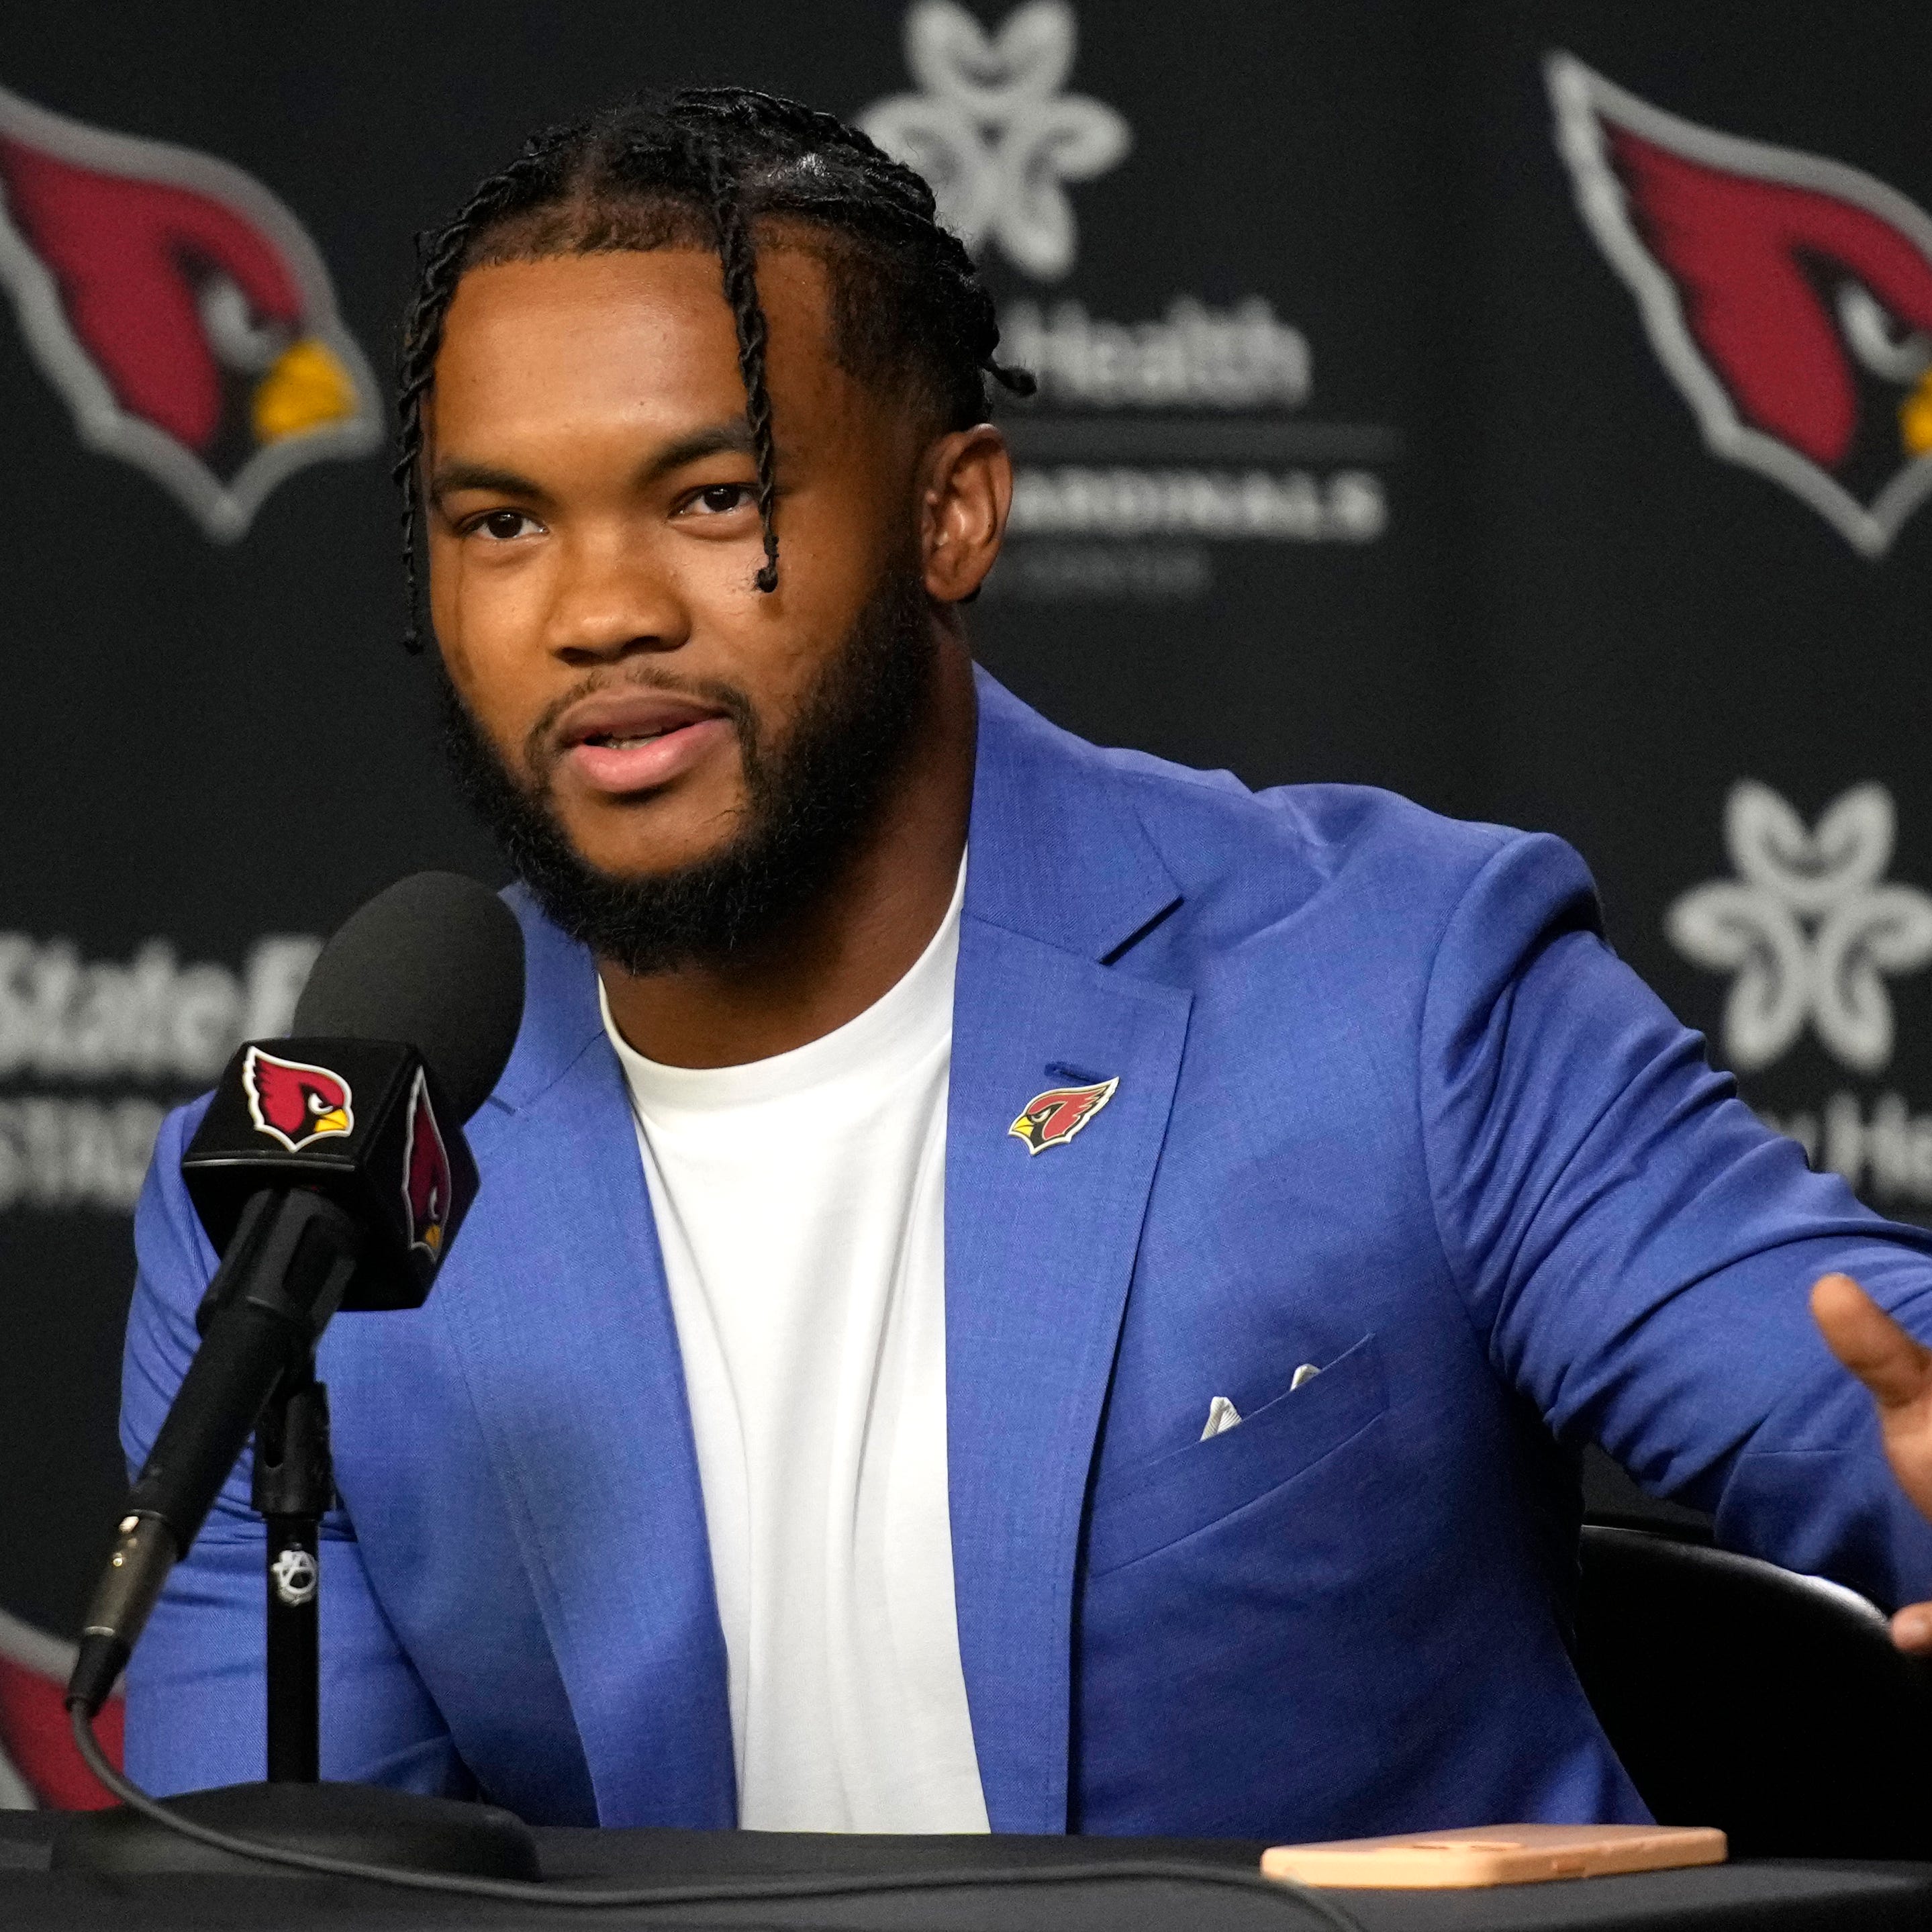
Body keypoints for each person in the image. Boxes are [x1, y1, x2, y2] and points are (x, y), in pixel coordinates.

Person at [124, 87, 1932, 1840]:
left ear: (954, 514)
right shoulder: (309, 1200)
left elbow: (1848, 1392)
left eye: (710, 497)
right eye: (501, 523)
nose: (597, 609)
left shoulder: (1394, 982)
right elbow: (277, 1882)